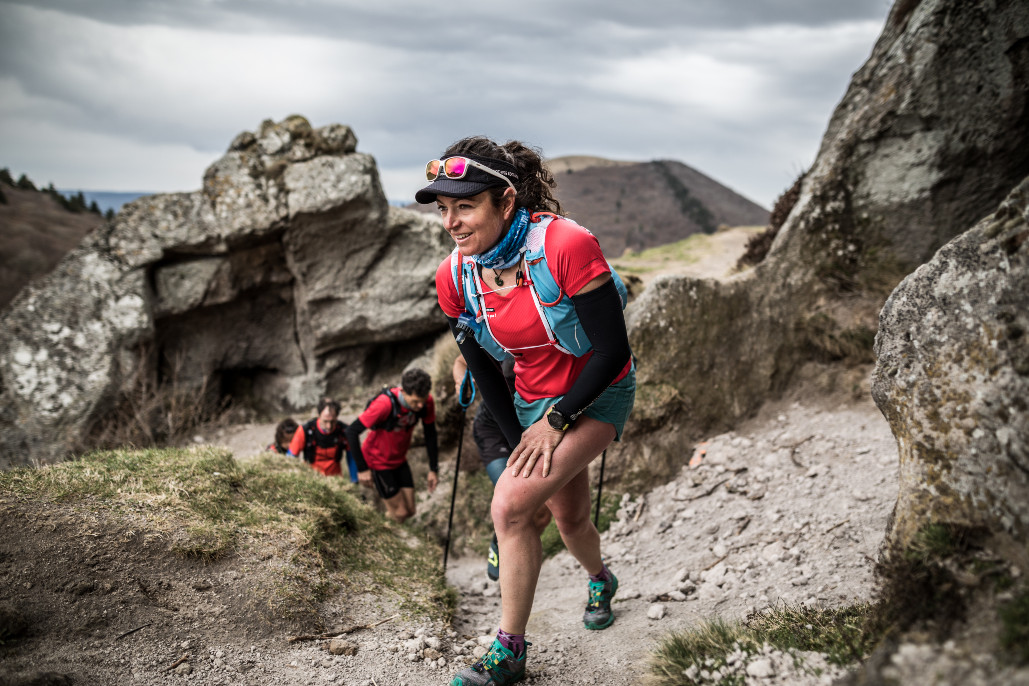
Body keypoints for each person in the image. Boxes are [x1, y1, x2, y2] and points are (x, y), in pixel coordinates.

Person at [426, 137, 635, 686]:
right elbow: (480, 367)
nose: (451, 221)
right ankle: (601, 578)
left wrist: (556, 421)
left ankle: (510, 650)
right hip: (532, 403)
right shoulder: (456, 277)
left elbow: (612, 352)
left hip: (598, 393)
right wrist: (525, 427)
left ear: (506, 201)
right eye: (444, 208)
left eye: (465, 205)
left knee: (512, 507)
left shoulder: (566, 245)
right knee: (569, 520)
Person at [452, 354, 552, 582]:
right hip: (492, 432)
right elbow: (460, 361)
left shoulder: (543, 341)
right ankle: (510, 558)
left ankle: (503, 544)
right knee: (520, 499)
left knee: (543, 514)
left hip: (529, 431)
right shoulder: (497, 341)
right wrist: (461, 383)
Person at [345, 368, 439, 523]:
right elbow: (351, 432)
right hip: (378, 461)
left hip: (399, 459)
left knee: (410, 510)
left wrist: (433, 469)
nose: (420, 405)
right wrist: (362, 469)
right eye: (415, 401)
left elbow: (431, 435)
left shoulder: (426, 403)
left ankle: (387, 523)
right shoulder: (384, 404)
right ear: (403, 391)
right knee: (401, 513)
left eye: (423, 400)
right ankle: (387, 535)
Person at [287, 397, 358, 482]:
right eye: (325, 421)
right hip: (310, 479)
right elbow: (290, 458)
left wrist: (354, 481)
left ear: (337, 417)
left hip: (335, 480)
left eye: (332, 421)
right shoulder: (305, 430)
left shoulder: (344, 431)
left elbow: (352, 457)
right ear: (319, 415)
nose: (329, 426)